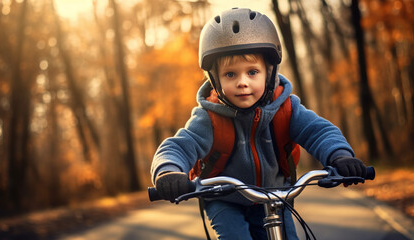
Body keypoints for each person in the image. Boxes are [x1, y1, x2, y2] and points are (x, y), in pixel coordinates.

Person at [151, 8, 367, 240]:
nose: (242, 82)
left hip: (276, 195)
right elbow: (179, 146)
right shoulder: (208, 118)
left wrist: (340, 156)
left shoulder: (286, 108)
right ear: (215, 79)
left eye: (252, 72)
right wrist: (169, 170)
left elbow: (318, 131)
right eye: (230, 75)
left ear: (269, 73)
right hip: (225, 200)